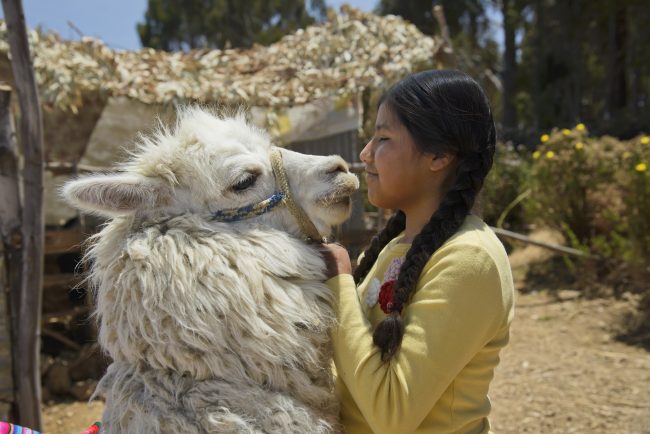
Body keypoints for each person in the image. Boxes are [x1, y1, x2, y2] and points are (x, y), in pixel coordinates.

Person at [321, 69, 515, 434]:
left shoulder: (469, 259)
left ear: (439, 155)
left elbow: (392, 414)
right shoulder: (394, 248)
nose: (365, 155)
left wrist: (339, 283)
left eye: (383, 138)